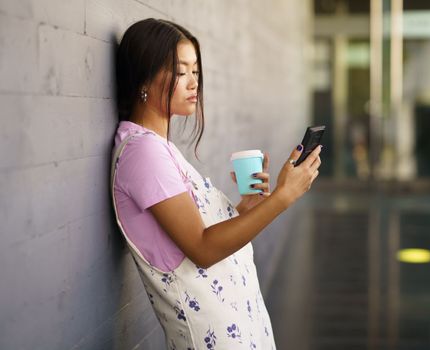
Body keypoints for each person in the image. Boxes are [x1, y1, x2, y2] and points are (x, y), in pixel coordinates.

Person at [111, 18, 322, 350]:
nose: (194, 82)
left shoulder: (159, 148)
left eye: (196, 71)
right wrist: (283, 197)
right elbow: (202, 249)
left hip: (239, 326)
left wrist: (246, 208)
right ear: (143, 79)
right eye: (181, 72)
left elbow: (192, 238)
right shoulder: (143, 154)